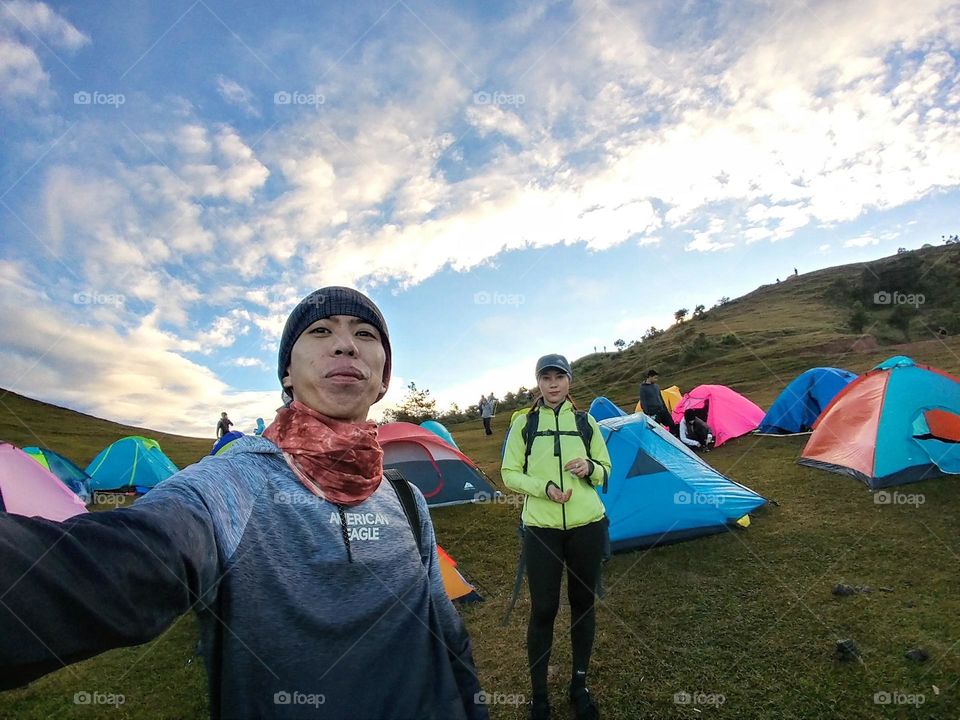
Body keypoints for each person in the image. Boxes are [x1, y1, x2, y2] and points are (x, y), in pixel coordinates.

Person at [0, 287, 486, 720]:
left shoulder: (403, 498)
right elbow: (122, 563)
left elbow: (446, 631)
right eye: (320, 331)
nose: (345, 344)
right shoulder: (232, 484)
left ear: (382, 380)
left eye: (365, 333)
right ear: (287, 375)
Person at [502, 354, 612, 720]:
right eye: (545, 378)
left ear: (569, 382)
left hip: (587, 525)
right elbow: (509, 473)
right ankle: (540, 697)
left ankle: (579, 687)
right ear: (538, 383)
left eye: (559, 377)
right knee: (544, 609)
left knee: (583, 605)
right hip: (542, 528)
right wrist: (542, 487)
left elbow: (606, 469)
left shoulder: (586, 423)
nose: (552, 384)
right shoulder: (523, 424)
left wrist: (590, 467)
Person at [638, 369, 679, 435]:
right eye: (655, 378)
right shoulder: (643, 388)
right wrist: (648, 414)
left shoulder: (656, 386)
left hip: (662, 410)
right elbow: (643, 402)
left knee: (672, 424)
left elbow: (661, 398)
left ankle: (674, 437)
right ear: (650, 377)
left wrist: (666, 410)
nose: (656, 380)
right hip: (653, 413)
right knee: (656, 430)